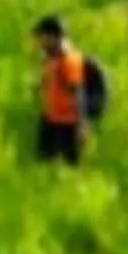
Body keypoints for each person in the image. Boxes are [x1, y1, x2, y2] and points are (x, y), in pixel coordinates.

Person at [33, 15, 92, 166]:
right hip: (51, 119)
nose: (39, 41)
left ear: (52, 37)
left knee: (70, 166)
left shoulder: (69, 60)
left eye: (42, 36)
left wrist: (82, 124)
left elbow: (78, 91)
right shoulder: (50, 57)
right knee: (42, 162)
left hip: (68, 124)